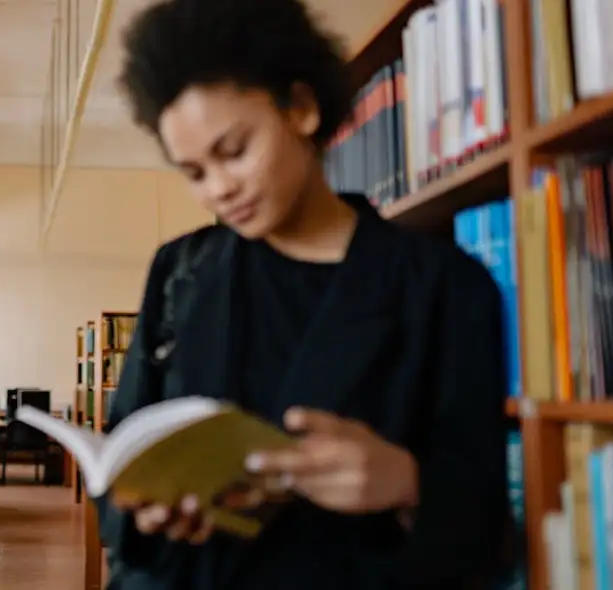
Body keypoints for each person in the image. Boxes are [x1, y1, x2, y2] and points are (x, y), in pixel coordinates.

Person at [97, 0, 510, 588]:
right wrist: (146, 511)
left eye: (234, 151)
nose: (219, 190)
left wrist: (407, 484)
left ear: (303, 107)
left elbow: (486, 531)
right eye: (193, 173)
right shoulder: (180, 273)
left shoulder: (447, 287)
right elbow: (122, 465)